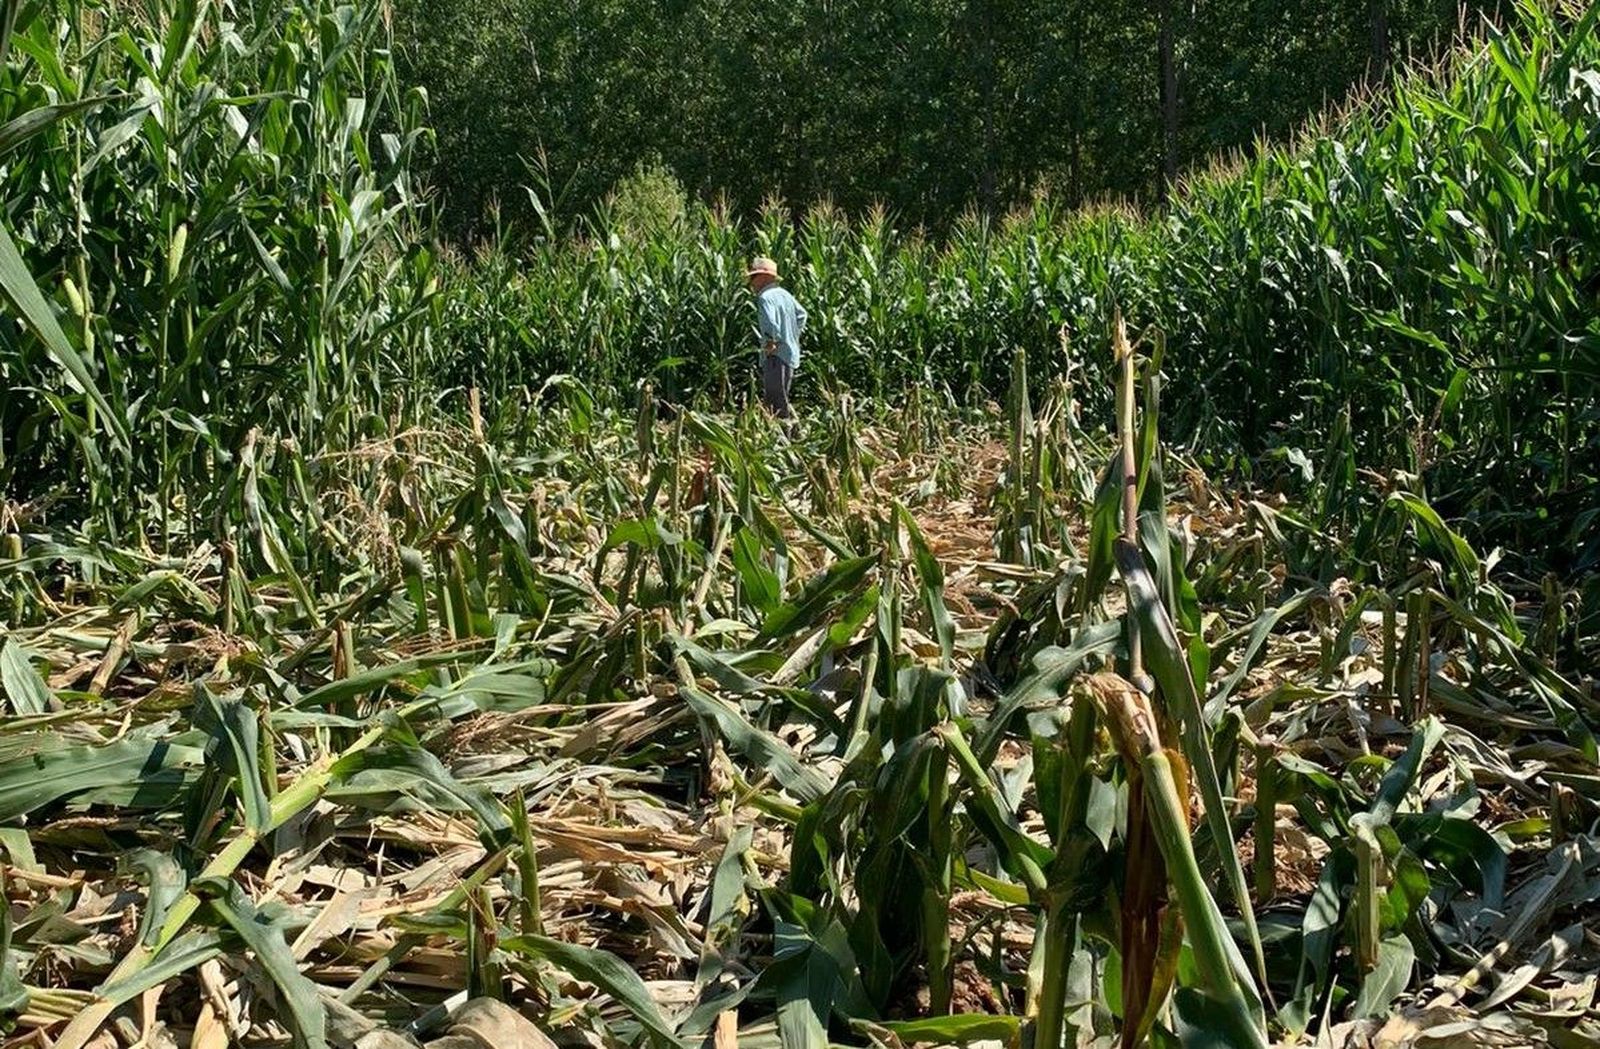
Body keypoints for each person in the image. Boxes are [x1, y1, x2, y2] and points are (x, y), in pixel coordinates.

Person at [746, 256, 806, 420]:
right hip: (790, 352)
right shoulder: (785, 295)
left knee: (775, 398)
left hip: (775, 354)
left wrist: (771, 341)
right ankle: (791, 433)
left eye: (754, 277)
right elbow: (802, 315)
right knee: (781, 394)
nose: (751, 282)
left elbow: (770, 323)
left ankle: (784, 437)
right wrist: (793, 334)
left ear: (764, 277)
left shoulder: (765, 298)